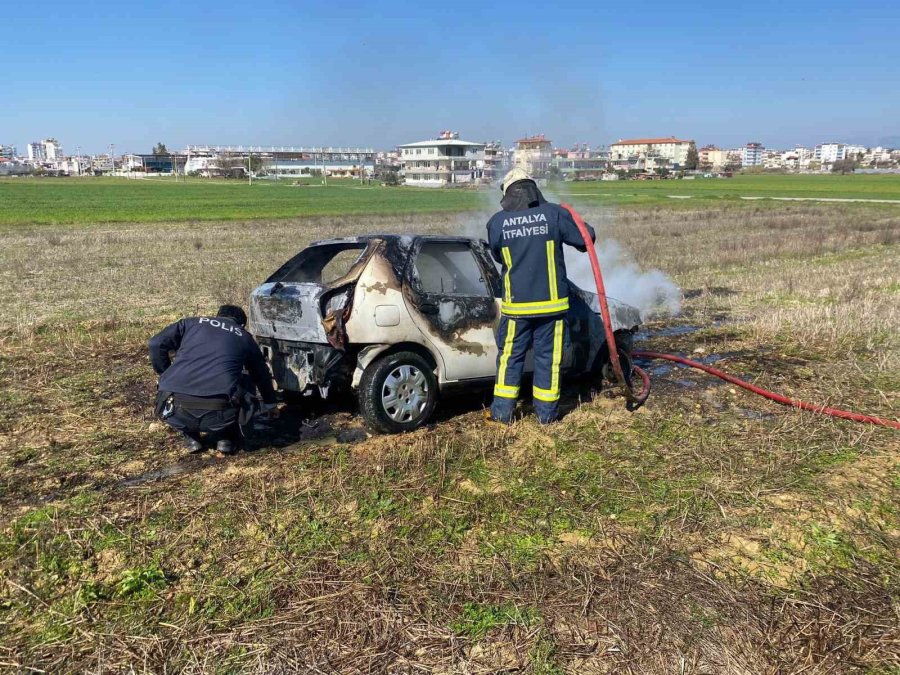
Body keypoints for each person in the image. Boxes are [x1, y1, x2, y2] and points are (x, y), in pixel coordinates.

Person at [486, 168, 596, 424]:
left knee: (509, 359)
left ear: (507, 194)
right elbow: (586, 238)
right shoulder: (554, 214)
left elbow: (497, 255)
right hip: (552, 308)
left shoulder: (497, 222)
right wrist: (570, 218)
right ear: (534, 189)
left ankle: (502, 415)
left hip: (516, 309)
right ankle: (546, 418)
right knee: (548, 361)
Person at [148, 305, 278, 454]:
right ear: (241, 324)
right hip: (221, 415)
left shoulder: (190, 323)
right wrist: (270, 404)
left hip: (174, 411)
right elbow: (261, 374)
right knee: (246, 378)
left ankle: (191, 438)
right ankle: (226, 437)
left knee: (181, 384)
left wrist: (165, 374)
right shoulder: (243, 336)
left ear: (216, 316)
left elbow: (155, 343)